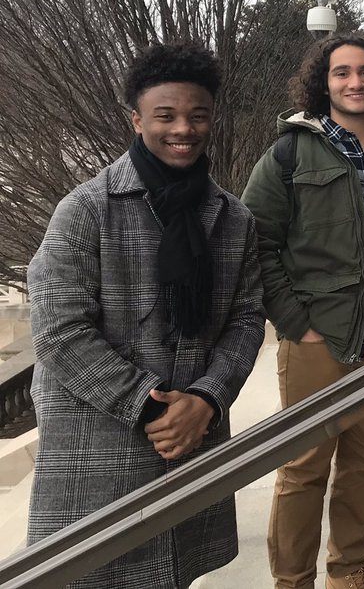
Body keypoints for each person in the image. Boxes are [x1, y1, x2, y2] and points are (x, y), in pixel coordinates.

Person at [26, 41, 265, 588]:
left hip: (192, 430)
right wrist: (150, 406)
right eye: (166, 115)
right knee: (95, 569)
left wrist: (208, 397)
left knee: (176, 570)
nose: (183, 128)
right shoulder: (86, 210)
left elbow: (248, 317)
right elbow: (59, 330)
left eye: (197, 115)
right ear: (137, 120)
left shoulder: (232, 217)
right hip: (100, 438)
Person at [242, 34, 364, 589]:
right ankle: (293, 580)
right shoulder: (290, 151)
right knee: (304, 469)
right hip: (320, 340)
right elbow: (255, 243)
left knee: (363, 464)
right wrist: (295, 323)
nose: (356, 82)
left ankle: (349, 569)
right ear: (323, 83)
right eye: (342, 73)